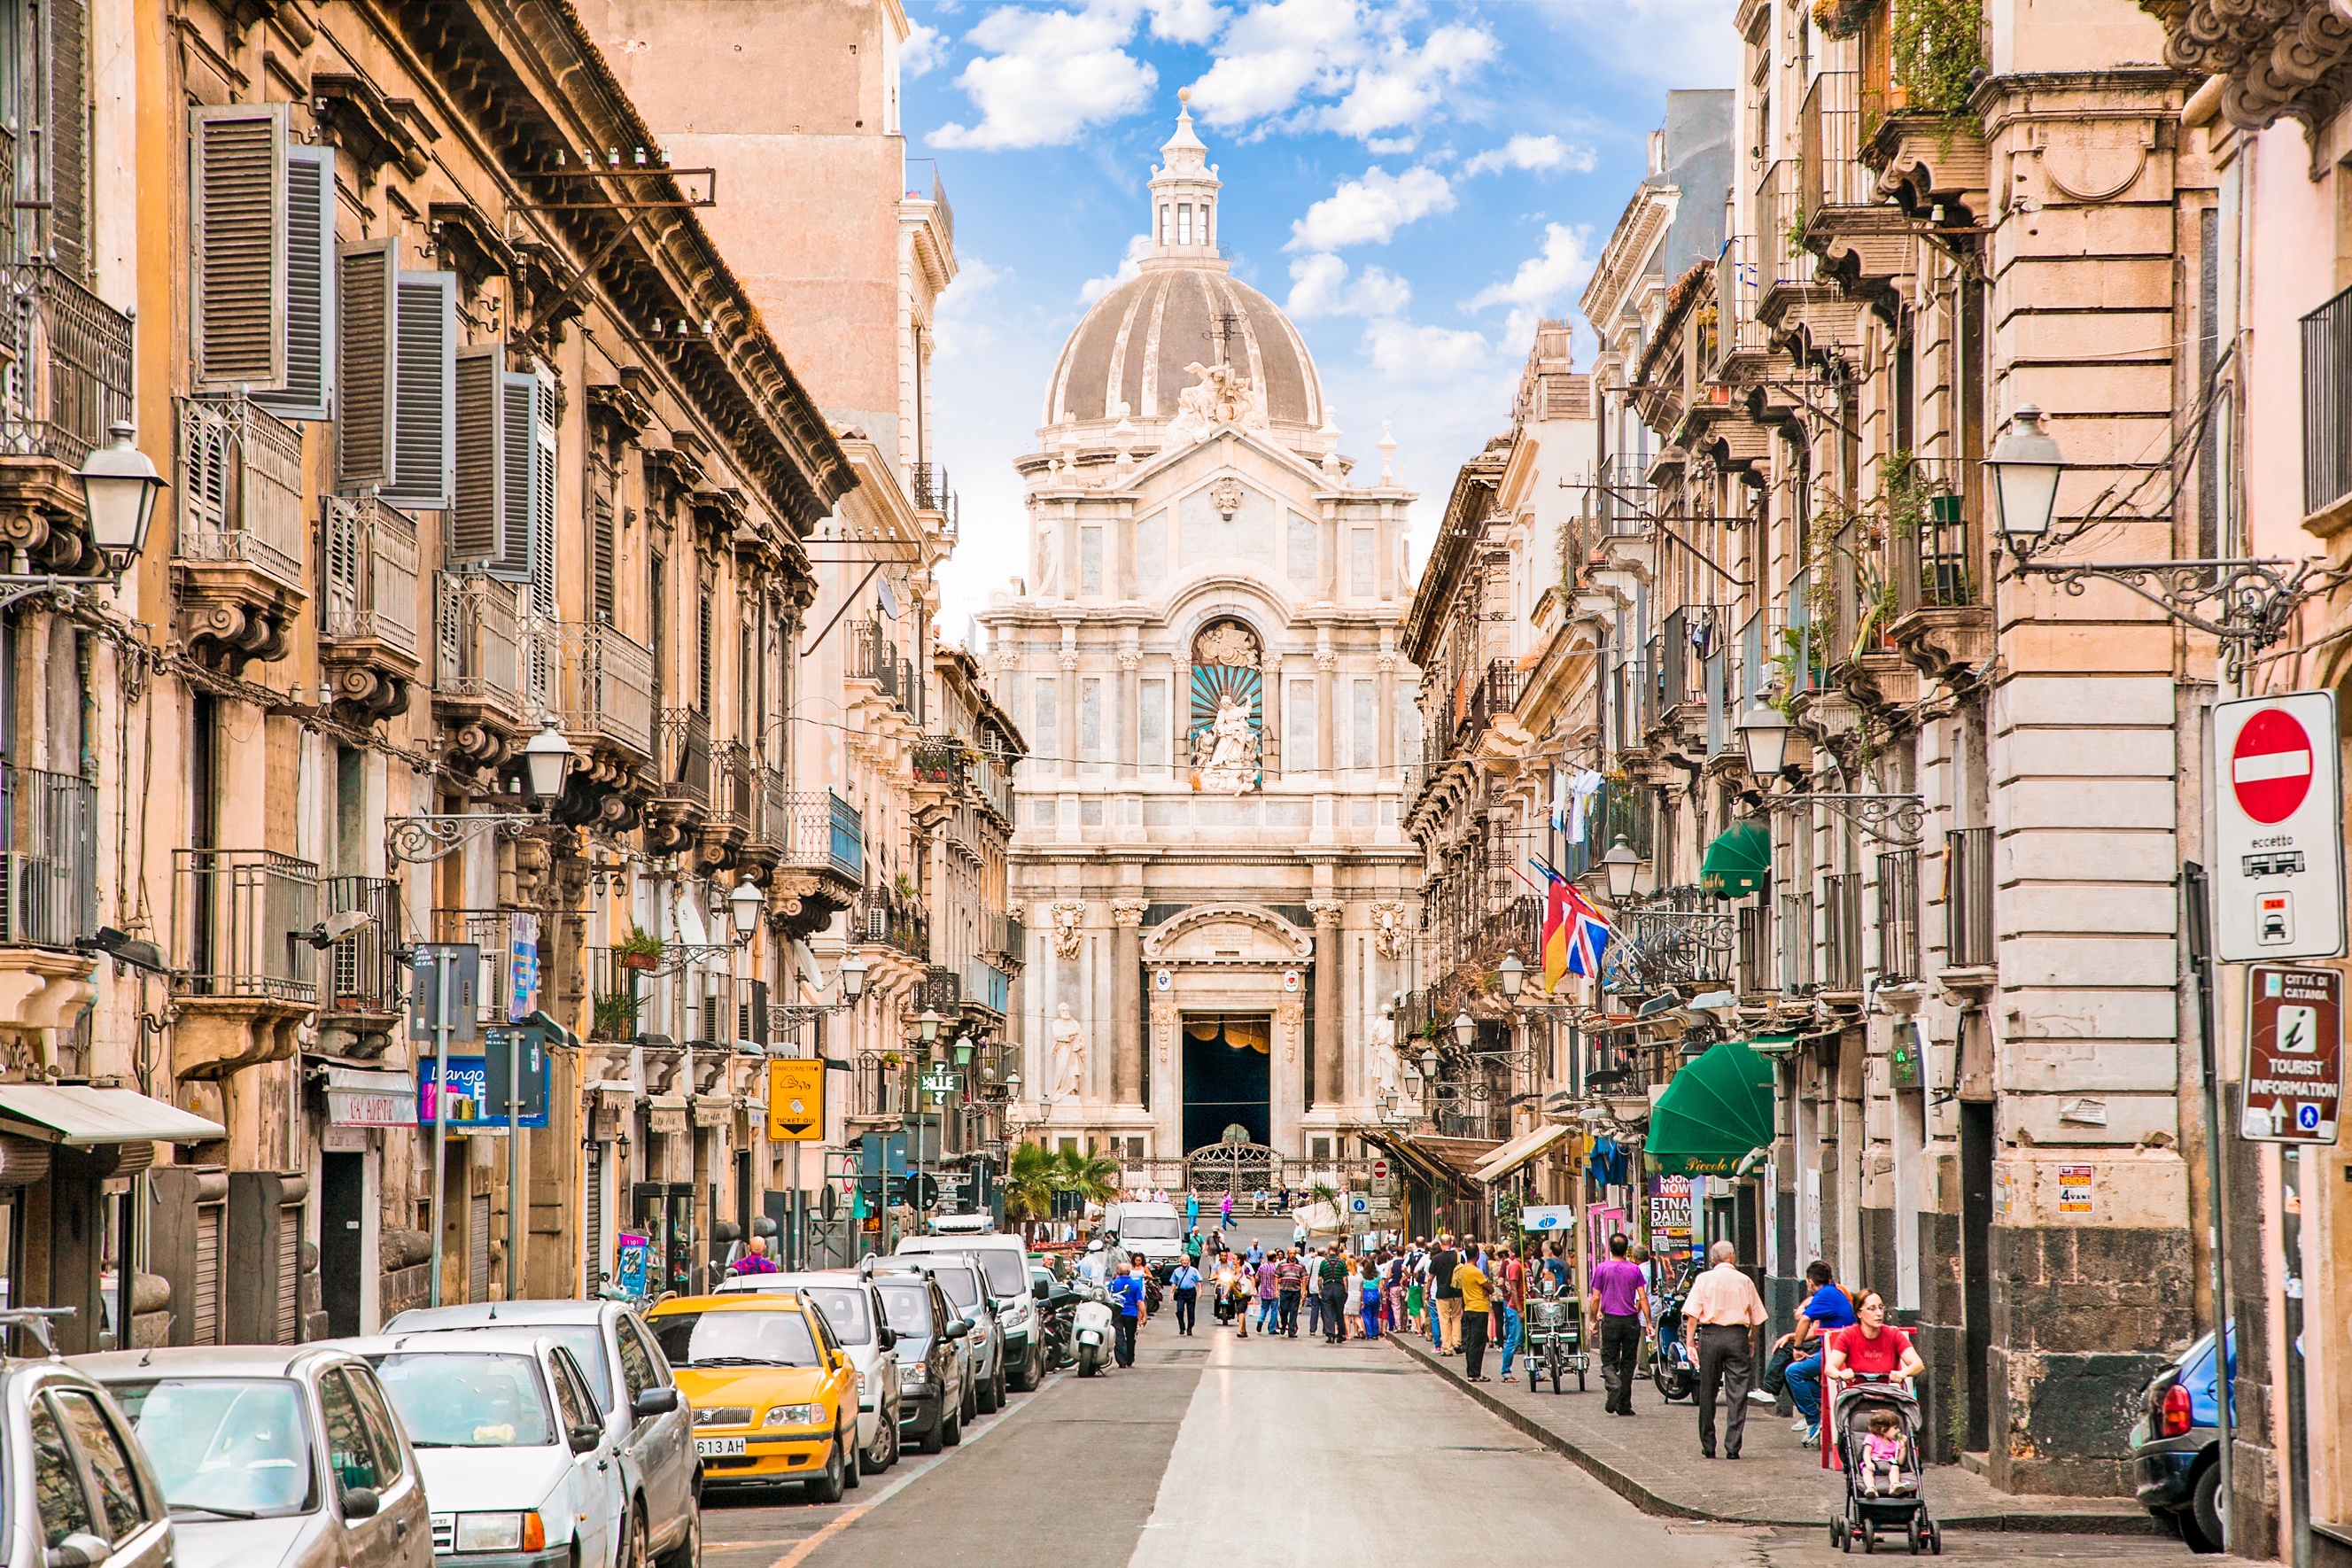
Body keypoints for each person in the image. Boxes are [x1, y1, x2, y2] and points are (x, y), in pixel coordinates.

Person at [1683, 1239, 1769, 1460]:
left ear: (1713, 1260)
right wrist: (1750, 1339)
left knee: (1707, 1390)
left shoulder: (1703, 1279)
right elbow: (1757, 1318)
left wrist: (1690, 1343)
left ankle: (1708, 1444)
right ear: (1732, 1257)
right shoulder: (1745, 1281)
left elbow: (1692, 1316)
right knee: (1738, 1392)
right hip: (1736, 1337)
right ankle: (1732, 1446)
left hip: (1710, 1337)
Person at [1779, 1261, 1856, 1441]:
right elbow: (1815, 1331)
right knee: (1794, 1369)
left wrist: (1797, 1348)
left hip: (1836, 1351)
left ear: (1809, 1282)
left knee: (1794, 1372)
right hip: (1835, 1348)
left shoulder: (1824, 1295)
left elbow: (1805, 1320)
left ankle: (1814, 1418)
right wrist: (1792, 1338)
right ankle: (1823, 1404)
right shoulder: (1834, 1292)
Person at [1589, 1233, 1650, 1416]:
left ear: (1610, 1248)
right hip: (1631, 1320)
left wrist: (1593, 1320)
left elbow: (1596, 1297)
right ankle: (1624, 1404)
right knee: (1628, 1363)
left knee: (1608, 1360)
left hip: (1611, 1321)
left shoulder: (1602, 1269)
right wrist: (1648, 1322)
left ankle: (1613, 1382)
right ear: (1626, 1250)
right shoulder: (1634, 1270)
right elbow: (1642, 1297)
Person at [1454, 1249, 1494, 1380]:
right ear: (1477, 1255)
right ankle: (1475, 1373)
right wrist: (1488, 1290)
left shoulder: (1463, 1270)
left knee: (1471, 1341)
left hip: (1468, 1307)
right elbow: (1489, 1287)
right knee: (1478, 1342)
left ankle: (1471, 1371)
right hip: (1479, 1308)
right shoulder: (1476, 1271)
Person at [1108, 1255, 1147, 1369]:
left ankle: (1122, 1360)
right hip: (1131, 1314)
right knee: (1130, 1336)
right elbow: (1140, 1302)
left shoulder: (1113, 1284)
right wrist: (1144, 1316)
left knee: (1119, 1337)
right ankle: (1130, 1358)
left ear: (1118, 1272)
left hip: (1117, 1314)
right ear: (1129, 1272)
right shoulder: (1135, 1285)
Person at [1494, 1244, 1525, 1381]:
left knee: (1529, 1340)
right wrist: (1519, 1309)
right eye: (1529, 1249)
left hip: (1526, 1306)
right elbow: (1513, 1288)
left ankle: (1534, 1371)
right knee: (1513, 1340)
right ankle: (1506, 1372)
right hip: (1515, 1307)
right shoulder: (1515, 1266)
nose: (1531, 1251)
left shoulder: (1525, 1265)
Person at [1429, 1233, 1464, 1354]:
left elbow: (1430, 1277)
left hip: (1442, 1293)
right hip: (1457, 1293)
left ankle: (1447, 1348)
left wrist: (1427, 1291)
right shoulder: (1459, 1257)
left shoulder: (1436, 1258)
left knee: (1443, 1320)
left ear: (1440, 1244)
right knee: (1456, 1318)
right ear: (1452, 1244)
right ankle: (1457, 1342)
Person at [1861, 1409, 1907, 1495]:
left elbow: (1900, 1461)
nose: (1898, 1431)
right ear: (1884, 1430)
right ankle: (1871, 1488)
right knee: (1866, 1471)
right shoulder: (1871, 1438)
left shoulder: (1895, 1443)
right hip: (1874, 1465)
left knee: (1895, 1468)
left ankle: (1894, 1485)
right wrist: (1868, 1463)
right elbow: (1867, 1452)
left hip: (1889, 1464)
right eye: (1895, 1428)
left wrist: (1903, 1447)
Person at [1317, 1245, 1350, 1345]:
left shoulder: (1324, 1262)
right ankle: (1341, 1334)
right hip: (1339, 1287)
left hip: (1327, 1287)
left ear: (1329, 1250)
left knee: (1328, 1312)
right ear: (1337, 1251)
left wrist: (1320, 1290)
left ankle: (1330, 1334)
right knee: (1339, 1311)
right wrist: (1346, 1290)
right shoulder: (1341, 1262)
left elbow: (1320, 1278)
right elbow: (1345, 1278)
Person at [1275, 1248, 1307, 1338]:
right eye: (1290, 1253)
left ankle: (1291, 1330)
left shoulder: (1301, 1265)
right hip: (1284, 1290)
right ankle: (1284, 1323)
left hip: (1295, 1291)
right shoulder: (1282, 1264)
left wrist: (1304, 1291)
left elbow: (1304, 1278)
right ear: (1288, 1254)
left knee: (1294, 1311)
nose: (1292, 1255)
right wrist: (1276, 1290)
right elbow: (1277, 1276)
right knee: (1283, 1309)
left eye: (1294, 1253)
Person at [1171, 1256, 1202, 1337]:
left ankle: (1190, 1328)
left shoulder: (1194, 1270)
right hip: (1181, 1292)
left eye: (1186, 1260)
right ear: (1180, 1261)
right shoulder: (1176, 1271)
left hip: (1191, 1292)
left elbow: (1199, 1281)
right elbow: (1174, 1282)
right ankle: (1182, 1327)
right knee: (1179, 1310)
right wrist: (1171, 1293)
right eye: (1183, 1260)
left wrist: (1200, 1290)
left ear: (1188, 1261)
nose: (1184, 1262)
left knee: (1191, 1311)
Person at [1257, 1251, 1282, 1333]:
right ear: (1274, 1258)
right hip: (1274, 1292)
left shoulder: (1262, 1267)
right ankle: (1272, 1329)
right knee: (1274, 1311)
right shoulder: (1275, 1268)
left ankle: (1261, 1320)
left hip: (1264, 1291)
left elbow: (1257, 1277)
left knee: (1264, 1309)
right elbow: (1279, 1279)